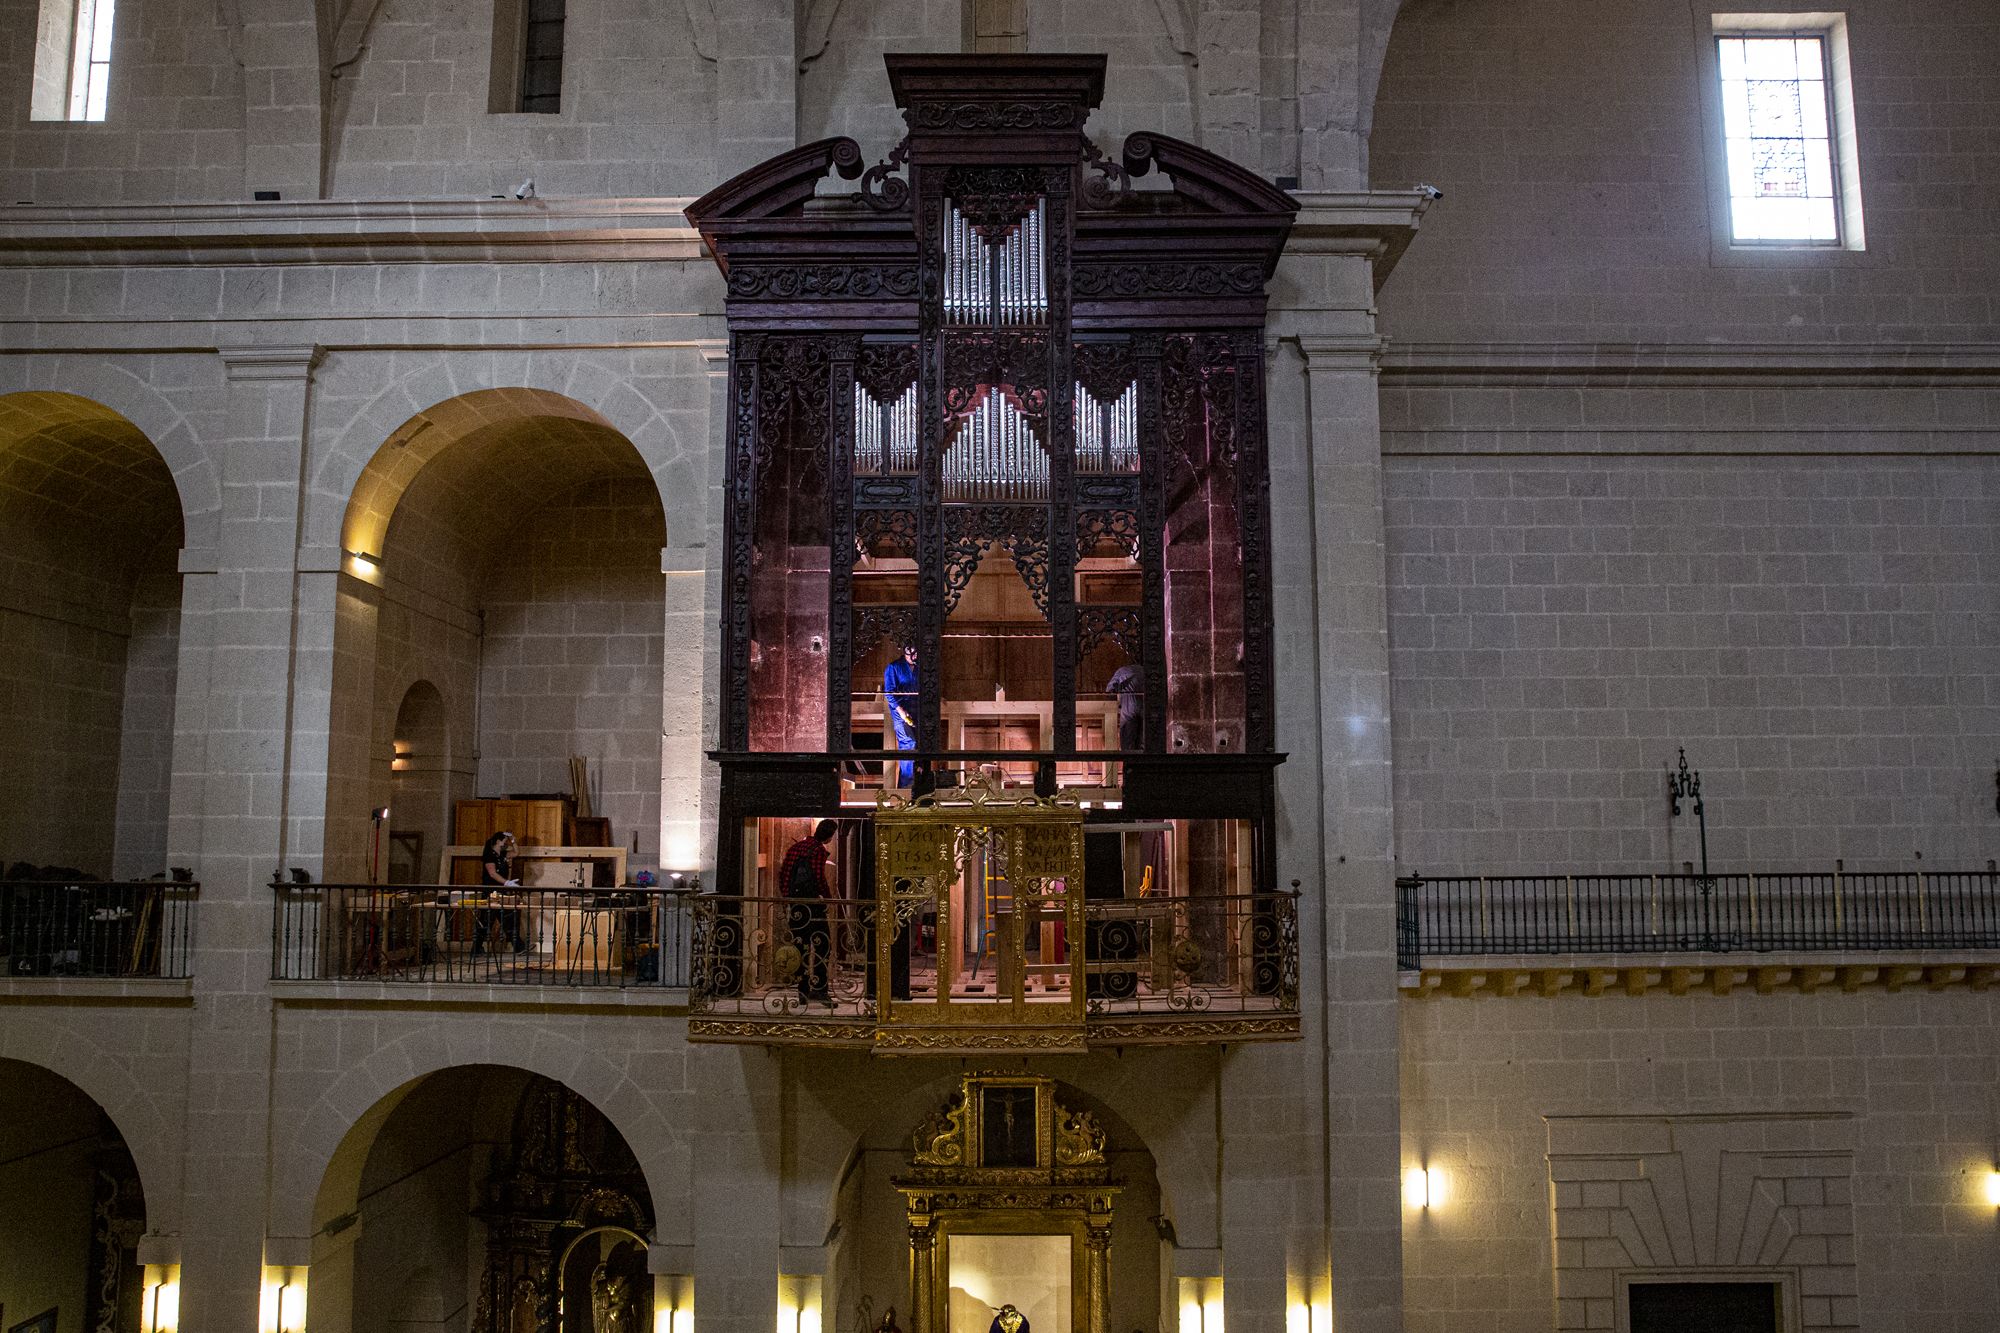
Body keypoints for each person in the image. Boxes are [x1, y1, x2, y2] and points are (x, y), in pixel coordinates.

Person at [779, 819, 837, 1004]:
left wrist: (788, 899)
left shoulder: (796, 847)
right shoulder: (818, 850)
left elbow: (784, 874)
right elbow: (819, 877)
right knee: (822, 946)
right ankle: (820, 989)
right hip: (813, 905)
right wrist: (828, 897)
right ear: (828, 835)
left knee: (800, 948)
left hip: (796, 906)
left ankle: (802, 991)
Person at [474, 830, 527, 955]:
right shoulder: (489, 855)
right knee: (489, 919)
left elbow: (516, 853)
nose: (505, 842)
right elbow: (492, 873)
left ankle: (518, 946)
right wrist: (507, 882)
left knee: (506, 918)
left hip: (500, 891)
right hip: (491, 891)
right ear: (498, 841)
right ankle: (476, 948)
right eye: (504, 840)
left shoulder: (502, 854)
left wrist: (513, 840)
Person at [883, 641, 919, 786]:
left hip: (918, 708)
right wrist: (901, 710)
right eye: (912, 654)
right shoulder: (894, 667)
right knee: (909, 743)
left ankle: (919, 787)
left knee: (921, 747)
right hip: (901, 709)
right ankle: (906, 788)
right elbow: (889, 693)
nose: (915, 657)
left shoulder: (920, 668)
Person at [1106, 662, 1144, 750]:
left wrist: (1116, 703)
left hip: (1129, 706)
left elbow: (1110, 690)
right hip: (1145, 707)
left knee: (1128, 742)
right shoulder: (1144, 670)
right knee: (1143, 742)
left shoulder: (1121, 671)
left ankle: (1129, 762)